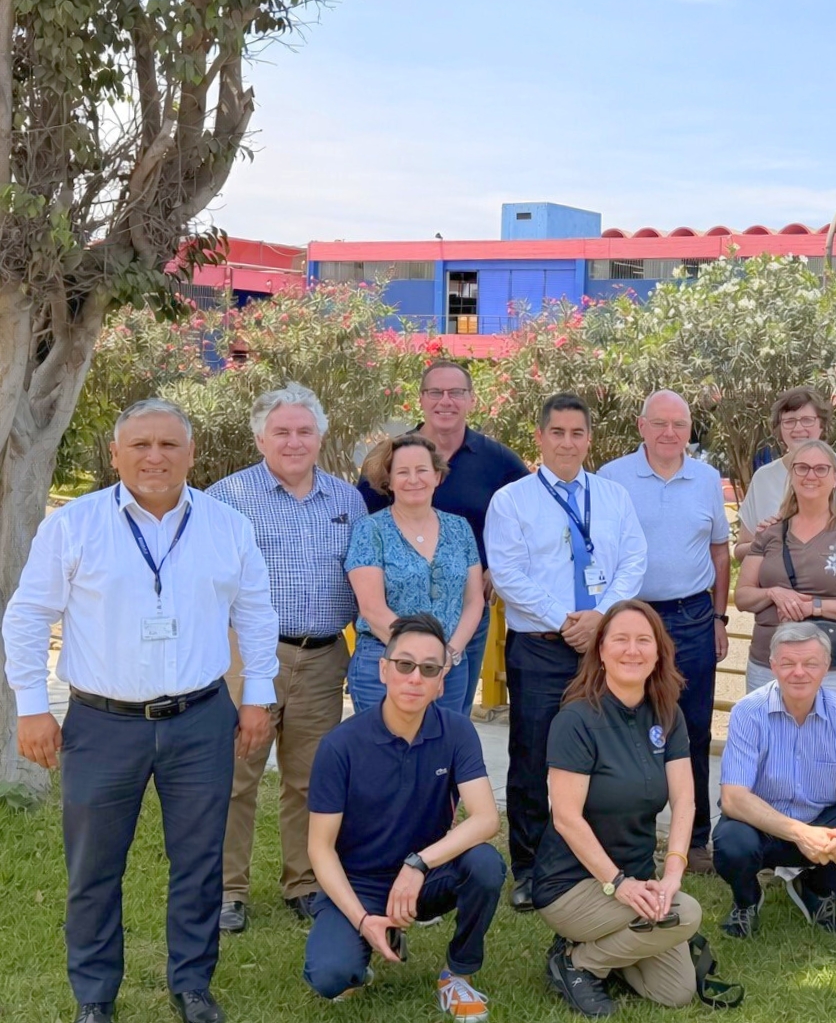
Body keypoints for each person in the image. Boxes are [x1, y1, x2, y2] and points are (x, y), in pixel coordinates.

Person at [3, 399, 278, 1023]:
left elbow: (256, 614)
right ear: (115, 455)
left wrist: (257, 695)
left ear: (191, 454)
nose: (155, 457)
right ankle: (95, 996)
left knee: (199, 862)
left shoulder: (227, 526)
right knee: (94, 866)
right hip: (102, 724)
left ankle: (192, 985)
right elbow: (28, 616)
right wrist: (31, 706)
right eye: (141, 445)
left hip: (201, 719)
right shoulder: (74, 526)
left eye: (169, 445)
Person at [206, 384, 369, 933]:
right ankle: (227, 890)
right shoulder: (227, 498)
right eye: (282, 432)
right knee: (237, 774)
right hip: (248, 653)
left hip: (323, 657)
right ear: (260, 439)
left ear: (320, 436)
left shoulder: (347, 500)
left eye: (304, 431)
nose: (294, 441)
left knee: (310, 778)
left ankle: (303, 882)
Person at [486, 393, 647, 911]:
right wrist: (566, 619)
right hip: (540, 649)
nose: (567, 443)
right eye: (557, 432)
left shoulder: (613, 497)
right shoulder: (511, 500)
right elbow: (507, 574)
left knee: (606, 757)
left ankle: (597, 861)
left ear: (589, 440)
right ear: (539, 437)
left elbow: (634, 560)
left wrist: (600, 618)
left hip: (605, 650)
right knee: (533, 757)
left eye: (577, 433)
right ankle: (530, 869)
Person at [303, 613, 505, 1021]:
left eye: (429, 669)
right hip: (360, 882)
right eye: (404, 664)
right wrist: (363, 920)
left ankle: (458, 975)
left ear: (441, 681)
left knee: (485, 864)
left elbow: (486, 819)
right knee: (331, 977)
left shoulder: (457, 731)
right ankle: (373, 937)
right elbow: (320, 849)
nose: (415, 678)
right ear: (384, 669)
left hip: (426, 876)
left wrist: (418, 864)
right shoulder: (340, 745)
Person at [533, 601, 702, 1017]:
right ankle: (578, 963)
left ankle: (601, 946)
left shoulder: (668, 713)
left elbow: (685, 800)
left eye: (644, 640)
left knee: (675, 991)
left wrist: (672, 875)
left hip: (639, 879)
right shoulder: (575, 719)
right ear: (601, 651)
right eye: (620, 639)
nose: (632, 650)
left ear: (658, 652)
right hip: (574, 884)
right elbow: (566, 818)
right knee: (686, 914)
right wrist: (619, 884)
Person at [598, 391, 731, 875]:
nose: (670, 433)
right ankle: (617, 838)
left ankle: (693, 841)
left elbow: (720, 551)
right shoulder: (612, 477)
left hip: (692, 618)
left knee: (692, 729)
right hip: (629, 618)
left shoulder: (707, 479)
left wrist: (719, 618)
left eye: (680, 424)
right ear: (641, 426)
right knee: (619, 728)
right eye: (660, 423)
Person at [357, 360, 529, 713]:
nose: (445, 401)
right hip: (390, 629)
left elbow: (533, 519)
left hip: (464, 623)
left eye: (456, 392)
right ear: (421, 398)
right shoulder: (389, 456)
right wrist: (417, 653)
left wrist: (499, 568)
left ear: (471, 399)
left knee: (449, 727)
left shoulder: (499, 462)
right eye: (435, 392)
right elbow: (364, 524)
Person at [713, 623, 836, 939]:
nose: (799, 673)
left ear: (826, 666)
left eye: (810, 663)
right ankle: (746, 900)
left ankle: (816, 888)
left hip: (819, 822)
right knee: (732, 843)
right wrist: (800, 833)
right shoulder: (748, 712)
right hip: (761, 826)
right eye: (788, 663)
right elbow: (733, 798)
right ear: (773, 666)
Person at [346, 434, 484, 715]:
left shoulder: (460, 529)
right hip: (385, 664)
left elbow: (474, 601)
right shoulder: (370, 530)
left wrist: (448, 655)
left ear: (437, 476)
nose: (413, 479)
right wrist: (423, 658)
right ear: (389, 481)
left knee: (443, 742)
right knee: (385, 743)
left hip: (449, 666)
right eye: (402, 472)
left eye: (422, 470)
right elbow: (372, 609)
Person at [736, 439, 836, 700]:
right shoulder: (770, 533)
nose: (810, 475)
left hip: (832, 668)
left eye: (821, 469)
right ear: (791, 476)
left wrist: (813, 607)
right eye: (802, 468)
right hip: (770, 663)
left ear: (835, 478)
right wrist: (773, 593)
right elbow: (743, 596)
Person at [733, 386, 836, 562]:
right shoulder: (763, 478)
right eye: (789, 421)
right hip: (779, 580)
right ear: (779, 428)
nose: (798, 428)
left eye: (807, 420)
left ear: (822, 425)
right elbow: (740, 551)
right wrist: (766, 541)